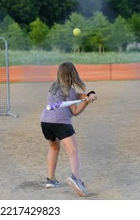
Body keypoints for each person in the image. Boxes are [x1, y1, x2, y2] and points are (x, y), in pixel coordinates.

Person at [40, 61, 98, 197]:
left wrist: (89, 94)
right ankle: (76, 179)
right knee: (73, 151)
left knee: (54, 148)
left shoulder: (53, 87)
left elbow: (75, 96)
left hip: (45, 121)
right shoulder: (69, 90)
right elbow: (75, 111)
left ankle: (51, 180)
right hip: (61, 122)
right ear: (73, 74)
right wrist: (87, 102)